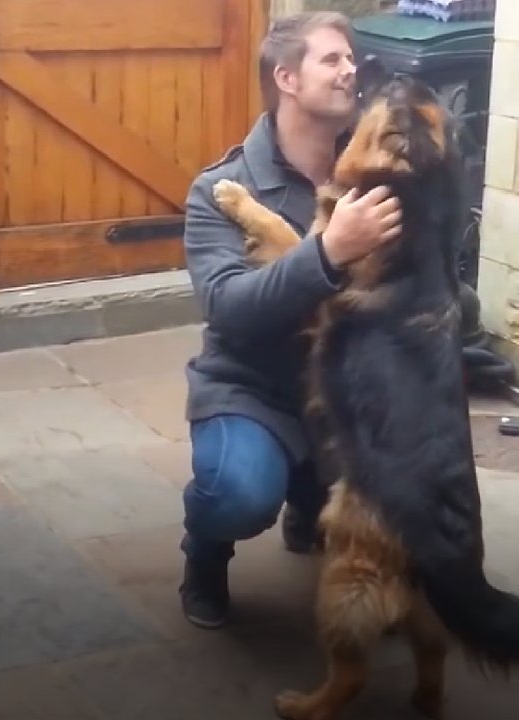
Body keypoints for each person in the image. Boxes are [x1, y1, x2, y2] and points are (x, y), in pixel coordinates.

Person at [176, 11, 404, 629]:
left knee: (407, 500)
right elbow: (231, 308)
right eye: (332, 59)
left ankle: (309, 498)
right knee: (239, 496)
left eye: (351, 58)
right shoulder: (219, 188)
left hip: (343, 397)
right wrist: (330, 252)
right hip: (255, 389)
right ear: (287, 78)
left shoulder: (375, 172)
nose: (351, 69)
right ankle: (204, 549)